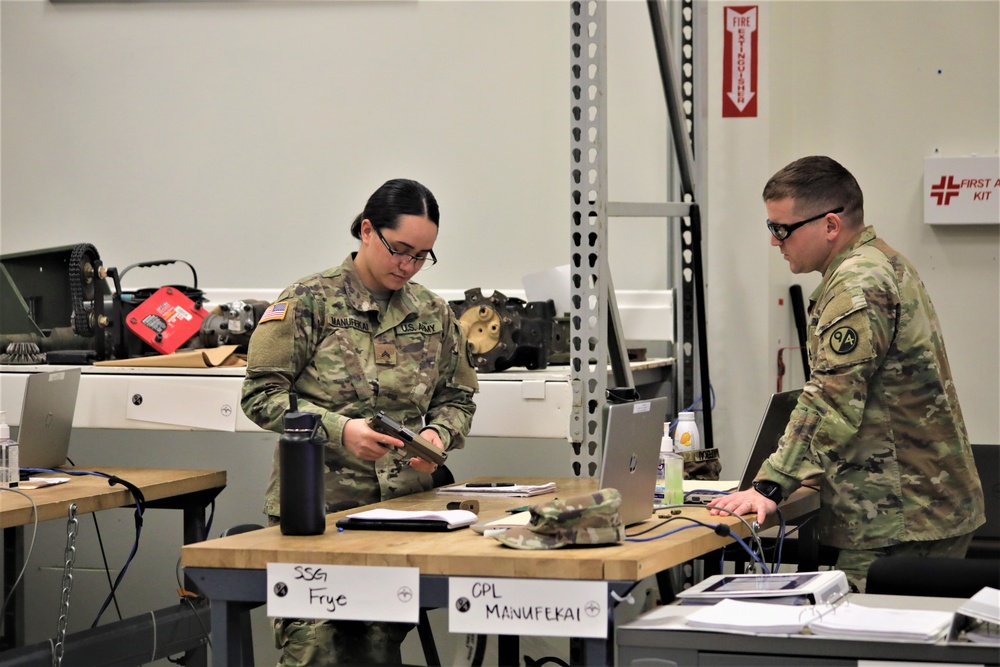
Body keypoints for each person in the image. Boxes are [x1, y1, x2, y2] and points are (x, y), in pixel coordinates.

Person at [709, 155, 985, 592]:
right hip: (912, 506)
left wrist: (770, 485)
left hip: (897, 518)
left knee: (864, 652)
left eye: (781, 229)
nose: (775, 241)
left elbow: (831, 398)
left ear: (830, 225)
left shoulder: (856, 283)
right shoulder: (879, 262)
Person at [241, 178, 479, 665]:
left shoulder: (433, 313)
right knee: (315, 652)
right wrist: (341, 430)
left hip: (399, 516)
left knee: (378, 654)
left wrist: (438, 435)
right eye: (401, 250)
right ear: (368, 230)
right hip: (316, 514)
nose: (408, 266)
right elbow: (261, 396)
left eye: (422, 256)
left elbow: (458, 396)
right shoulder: (309, 301)